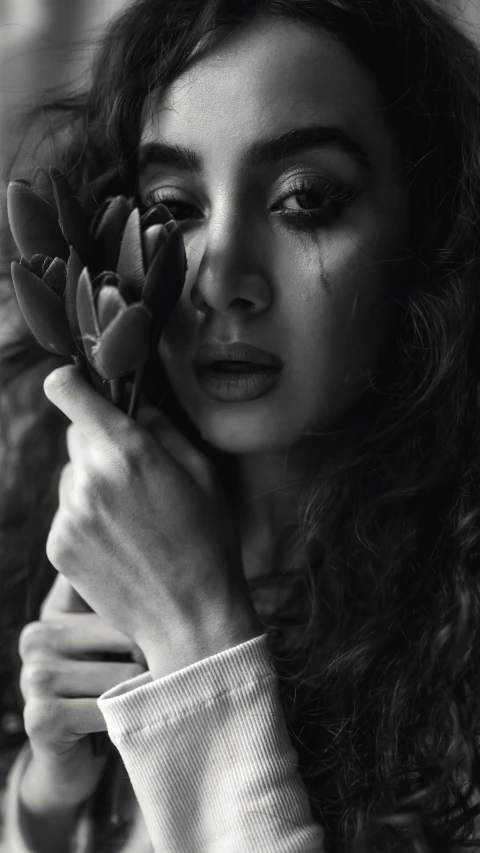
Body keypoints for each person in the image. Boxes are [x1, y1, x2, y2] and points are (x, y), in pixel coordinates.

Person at [1, 0, 480, 850]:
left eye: (305, 199)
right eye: (174, 207)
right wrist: (47, 798)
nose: (221, 280)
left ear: (429, 222)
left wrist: (198, 650)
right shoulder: (59, 536)